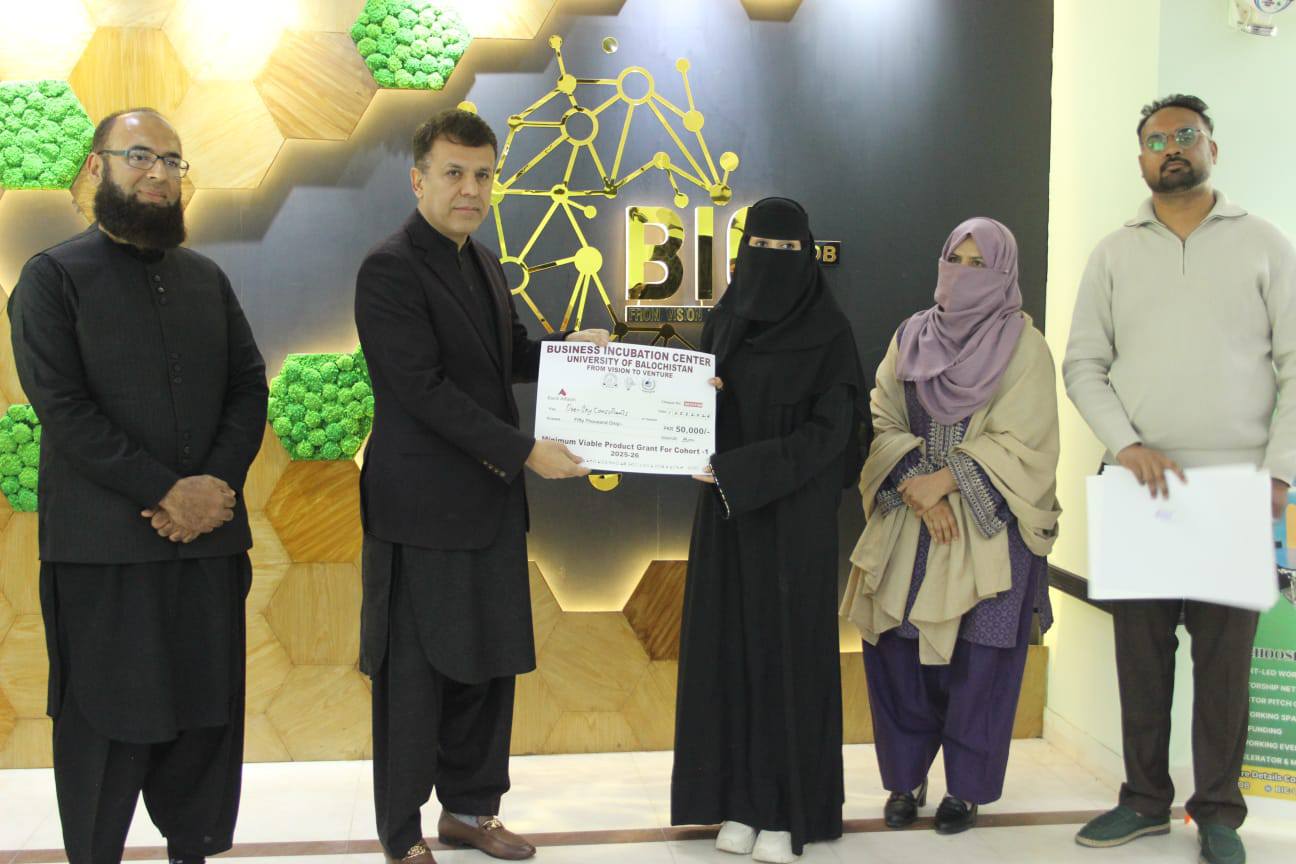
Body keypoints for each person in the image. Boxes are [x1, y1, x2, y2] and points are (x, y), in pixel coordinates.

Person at [7, 108, 268, 864]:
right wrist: (167, 491)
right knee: (104, 729)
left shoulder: (206, 278)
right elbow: (64, 410)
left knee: (206, 728)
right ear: (96, 168)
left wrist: (214, 486)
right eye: (140, 156)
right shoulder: (52, 279)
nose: (159, 173)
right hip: (105, 558)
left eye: (172, 161)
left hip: (207, 551)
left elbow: (248, 387)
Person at [353, 108, 609, 864]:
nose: (470, 189)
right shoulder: (390, 268)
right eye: (454, 173)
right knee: (414, 681)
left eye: (483, 175)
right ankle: (402, 834)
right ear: (418, 179)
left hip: (489, 507)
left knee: (490, 668)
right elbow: (421, 390)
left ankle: (470, 811)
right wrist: (525, 451)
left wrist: (571, 351)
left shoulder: (485, 262)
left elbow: (508, 355)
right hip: (420, 514)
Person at [1064, 94, 1296, 864]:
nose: (1172, 148)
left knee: (1224, 666)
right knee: (1142, 657)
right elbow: (1083, 364)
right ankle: (1142, 800)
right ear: (1141, 160)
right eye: (1157, 139)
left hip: (1237, 487)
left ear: (1212, 149)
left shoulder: (1265, 244)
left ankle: (1219, 812)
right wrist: (1126, 444)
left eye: (1186, 135)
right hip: (1140, 487)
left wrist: (1279, 476)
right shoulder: (1113, 254)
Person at [840, 217, 1060, 836]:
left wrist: (950, 480)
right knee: (896, 657)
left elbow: (1029, 440)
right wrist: (918, 484)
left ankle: (966, 788)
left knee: (979, 668)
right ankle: (905, 779)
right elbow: (881, 415)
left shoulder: (1024, 347)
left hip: (988, 534)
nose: (963, 274)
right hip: (909, 523)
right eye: (954, 260)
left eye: (978, 264)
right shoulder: (911, 336)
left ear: (1004, 272)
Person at [671, 197, 868, 864]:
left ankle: (789, 809)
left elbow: (830, 437)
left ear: (808, 255)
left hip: (792, 522)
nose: (773, 263)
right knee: (730, 650)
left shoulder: (830, 334)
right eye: (761, 248)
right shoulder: (727, 319)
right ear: (742, 253)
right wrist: (695, 409)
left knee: (788, 655)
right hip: (729, 519)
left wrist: (743, 470)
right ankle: (739, 802)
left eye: (787, 250)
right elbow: (701, 408)